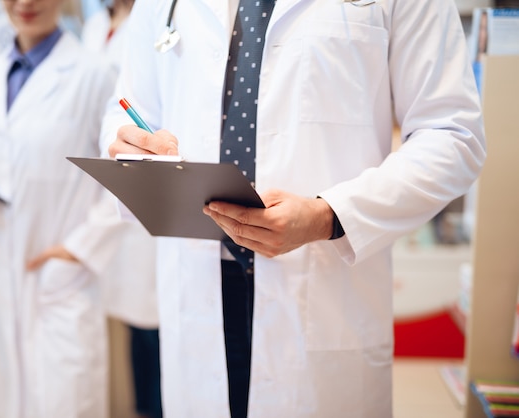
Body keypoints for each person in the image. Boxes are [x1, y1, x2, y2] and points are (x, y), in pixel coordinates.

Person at [101, 0, 487, 416]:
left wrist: (331, 215)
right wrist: (128, 144)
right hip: (197, 289)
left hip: (321, 287)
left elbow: (452, 134)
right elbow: (127, 109)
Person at [0, 0, 119, 416]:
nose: (26, 4)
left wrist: (79, 250)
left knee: (64, 401)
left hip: (59, 280)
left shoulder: (94, 75)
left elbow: (124, 179)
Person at [82, 2, 162, 418]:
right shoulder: (96, 25)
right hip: (106, 188)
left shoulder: (159, 15)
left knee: (156, 332)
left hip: (145, 194)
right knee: (135, 330)